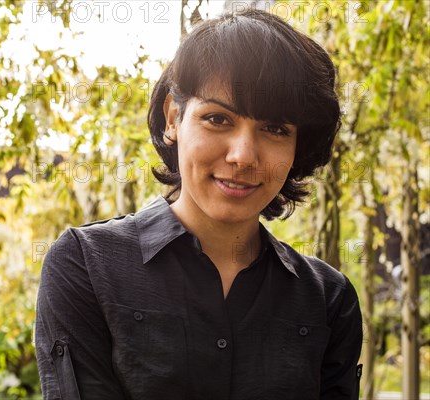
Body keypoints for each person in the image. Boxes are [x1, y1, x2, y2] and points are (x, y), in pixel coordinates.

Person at [35, 8, 363, 400]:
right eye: (218, 119)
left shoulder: (329, 300)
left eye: (275, 129)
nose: (243, 155)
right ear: (173, 117)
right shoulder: (85, 265)